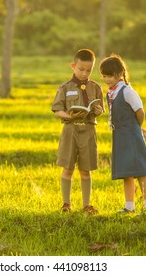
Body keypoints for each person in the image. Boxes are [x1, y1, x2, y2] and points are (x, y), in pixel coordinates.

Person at [99, 54, 146, 214]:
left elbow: (140, 111)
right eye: (104, 76)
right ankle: (129, 206)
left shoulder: (127, 92)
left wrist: (138, 127)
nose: (106, 79)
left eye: (109, 76)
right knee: (126, 172)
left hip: (131, 134)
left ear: (119, 74)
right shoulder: (111, 93)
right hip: (119, 135)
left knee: (141, 170)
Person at [51, 49, 105, 214]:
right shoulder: (65, 88)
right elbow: (56, 109)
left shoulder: (96, 87)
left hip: (88, 130)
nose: (84, 73)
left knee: (86, 170)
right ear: (73, 66)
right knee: (68, 168)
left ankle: (86, 205)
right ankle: (66, 204)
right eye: (81, 69)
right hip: (70, 130)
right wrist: (67, 115)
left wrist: (98, 110)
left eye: (88, 70)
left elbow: (100, 109)